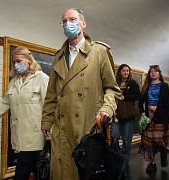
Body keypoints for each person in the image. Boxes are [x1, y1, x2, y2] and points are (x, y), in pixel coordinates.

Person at [41, 8, 121, 180]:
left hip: (87, 127)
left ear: (83, 24)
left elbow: (112, 88)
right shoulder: (59, 57)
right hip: (61, 129)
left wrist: (107, 107)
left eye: (72, 19)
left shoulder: (99, 52)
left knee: (84, 171)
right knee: (62, 171)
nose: (67, 24)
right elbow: (51, 95)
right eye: (64, 21)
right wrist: (46, 120)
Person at [0, 46, 49, 180]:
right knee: (39, 174)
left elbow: (50, 106)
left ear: (29, 60)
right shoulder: (13, 82)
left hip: (36, 138)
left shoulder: (42, 78)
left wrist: (50, 132)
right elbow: (4, 103)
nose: (16, 65)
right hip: (19, 138)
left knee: (22, 174)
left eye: (18, 61)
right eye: (14, 62)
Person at [138, 65, 169, 174]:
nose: (153, 73)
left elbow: (167, 104)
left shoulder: (164, 86)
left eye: (156, 71)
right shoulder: (146, 86)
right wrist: (142, 112)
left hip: (161, 117)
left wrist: (168, 120)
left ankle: (163, 153)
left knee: (158, 139)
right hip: (148, 118)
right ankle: (152, 163)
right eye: (151, 71)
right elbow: (140, 101)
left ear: (159, 73)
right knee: (149, 142)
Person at [111, 64, 140, 179]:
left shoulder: (132, 83)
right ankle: (119, 159)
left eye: (128, 71)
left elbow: (138, 95)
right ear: (120, 72)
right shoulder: (114, 83)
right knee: (114, 138)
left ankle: (124, 163)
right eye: (124, 70)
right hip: (116, 116)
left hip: (128, 116)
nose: (126, 72)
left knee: (127, 141)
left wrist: (124, 96)